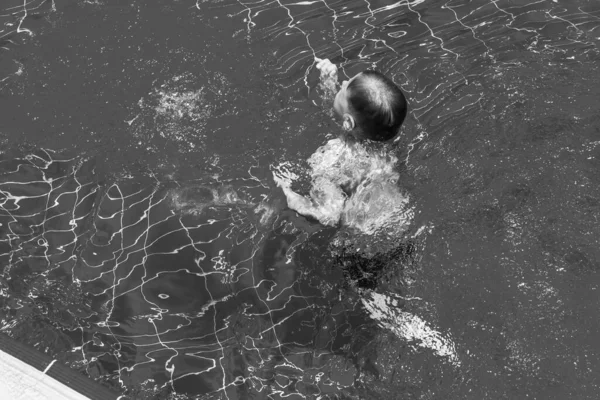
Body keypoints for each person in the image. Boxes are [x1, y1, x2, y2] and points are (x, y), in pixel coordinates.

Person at [273, 58, 410, 234]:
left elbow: (328, 214)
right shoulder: (390, 144)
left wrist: (288, 195)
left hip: (364, 243)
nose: (343, 82)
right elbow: (347, 117)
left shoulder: (337, 156)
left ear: (348, 123)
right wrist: (329, 83)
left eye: (344, 88)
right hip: (398, 224)